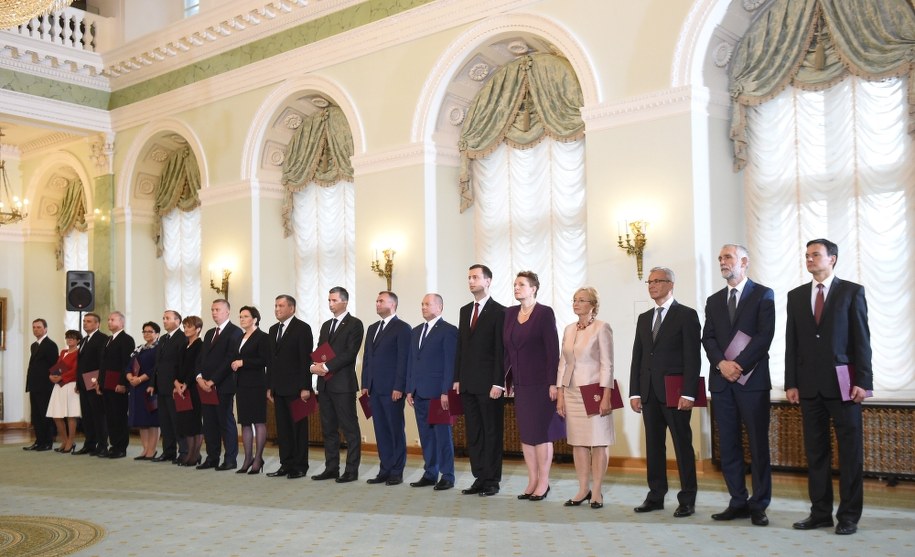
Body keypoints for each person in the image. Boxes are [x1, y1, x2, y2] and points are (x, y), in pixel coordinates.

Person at [785, 239, 873, 536]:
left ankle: (848, 516)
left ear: (832, 259)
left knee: (850, 454)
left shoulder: (851, 292)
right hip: (809, 389)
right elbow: (791, 343)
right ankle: (820, 512)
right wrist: (791, 382)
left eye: (816, 255)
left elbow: (862, 341)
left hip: (845, 387)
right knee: (816, 453)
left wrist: (864, 381)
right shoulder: (796, 296)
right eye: (807, 255)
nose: (810, 259)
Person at [701, 244, 775, 526]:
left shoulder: (763, 294)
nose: (722, 261)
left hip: (752, 382)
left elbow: (764, 336)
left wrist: (739, 365)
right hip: (722, 383)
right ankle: (737, 501)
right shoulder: (713, 300)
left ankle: (759, 504)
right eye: (720, 257)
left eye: (727, 257)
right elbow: (708, 338)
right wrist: (722, 364)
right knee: (728, 445)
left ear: (744, 261)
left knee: (758, 445)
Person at [629, 267, 701, 518]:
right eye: (649, 282)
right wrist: (634, 392)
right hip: (648, 393)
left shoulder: (686, 315)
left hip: (676, 393)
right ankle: (656, 495)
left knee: (682, 446)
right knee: (654, 447)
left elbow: (693, 357)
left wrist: (689, 393)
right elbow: (637, 357)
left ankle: (687, 498)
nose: (651, 285)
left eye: (657, 281)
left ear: (671, 284)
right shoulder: (644, 317)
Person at [503, 271, 560, 501]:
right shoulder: (509, 314)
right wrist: (506, 379)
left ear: (534, 288)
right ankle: (532, 480)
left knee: (541, 433)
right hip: (520, 384)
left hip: (541, 383)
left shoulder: (544, 313)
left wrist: (553, 383)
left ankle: (544, 482)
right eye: (515, 284)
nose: (516, 288)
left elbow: (552, 350)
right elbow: (507, 351)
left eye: (522, 284)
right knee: (526, 434)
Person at [556, 287, 615, 509]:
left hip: (595, 392)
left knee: (599, 442)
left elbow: (607, 364)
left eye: (581, 300)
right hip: (571, 392)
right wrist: (560, 394)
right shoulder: (569, 329)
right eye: (574, 300)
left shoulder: (602, 328)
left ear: (592, 304)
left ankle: (597, 491)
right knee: (578, 442)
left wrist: (606, 396)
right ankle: (583, 489)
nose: (576, 303)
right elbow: (563, 363)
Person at [453, 264, 506, 497]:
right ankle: (479, 477)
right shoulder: (465, 311)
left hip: (489, 385)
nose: (471, 281)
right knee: (473, 433)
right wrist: (457, 378)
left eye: (476, 277)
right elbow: (461, 348)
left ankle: (492, 480)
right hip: (467, 384)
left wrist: (498, 382)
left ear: (488, 281)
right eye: (469, 278)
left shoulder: (500, 312)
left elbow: (500, 351)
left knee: (491, 433)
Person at [310, 286, 364, 483]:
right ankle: (331, 468)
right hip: (325, 385)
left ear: (345, 302)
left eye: (334, 300)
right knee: (328, 428)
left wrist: (324, 366)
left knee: (349, 428)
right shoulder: (326, 325)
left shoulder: (355, 324)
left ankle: (351, 470)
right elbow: (320, 350)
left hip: (343, 385)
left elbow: (350, 354)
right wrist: (314, 366)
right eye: (329, 300)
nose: (330, 304)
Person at [406, 293, 458, 491]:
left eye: (428, 304)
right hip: (419, 393)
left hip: (438, 394)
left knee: (442, 436)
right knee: (426, 436)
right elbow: (412, 361)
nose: (423, 307)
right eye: (422, 304)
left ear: (440, 307)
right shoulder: (416, 331)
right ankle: (430, 473)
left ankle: (447, 475)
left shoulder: (449, 330)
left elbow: (449, 363)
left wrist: (446, 391)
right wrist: (409, 389)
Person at [361, 291, 411, 486]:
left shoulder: (402, 328)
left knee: (395, 430)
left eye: (381, 300)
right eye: (376, 300)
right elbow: (367, 358)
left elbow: (403, 360)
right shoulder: (372, 328)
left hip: (392, 390)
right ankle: (385, 469)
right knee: (380, 431)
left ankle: (396, 471)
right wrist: (365, 384)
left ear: (393, 304)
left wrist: (399, 386)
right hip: (374, 389)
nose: (377, 303)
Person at [265, 295, 313, 479]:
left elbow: (305, 359)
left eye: (281, 306)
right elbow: (271, 361)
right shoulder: (272, 329)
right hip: (278, 388)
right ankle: (286, 464)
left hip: (297, 389)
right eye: (275, 305)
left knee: (298, 429)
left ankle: (300, 466)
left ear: (292, 308)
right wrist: (270, 386)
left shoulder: (302, 328)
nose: (277, 309)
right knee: (283, 429)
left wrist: (305, 387)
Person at [195, 299, 243, 471]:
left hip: (223, 386)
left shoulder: (235, 332)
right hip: (205, 387)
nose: (214, 312)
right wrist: (199, 378)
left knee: (225, 422)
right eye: (212, 309)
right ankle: (212, 457)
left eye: (218, 309)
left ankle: (230, 459)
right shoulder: (209, 333)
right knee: (209, 423)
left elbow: (229, 360)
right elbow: (200, 359)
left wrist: (213, 381)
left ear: (227, 311)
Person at [231, 305, 271, 475]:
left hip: (256, 384)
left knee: (258, 421)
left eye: (246, 316)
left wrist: (243, 363)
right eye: (240, 316)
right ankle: (247, 459)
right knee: (245, 422)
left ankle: (258, 458)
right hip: (241, 384)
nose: (242, 319)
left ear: (255, 319)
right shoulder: (240, 337)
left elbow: (265, 360)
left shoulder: (263, 337)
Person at [149, 310, 188, 463]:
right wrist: (152, 383)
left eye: (167, 318)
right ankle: (168, 451)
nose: (164, 321)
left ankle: (184, 451)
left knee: (177, 420)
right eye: (163, 318)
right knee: (165, 421)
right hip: (161, 386)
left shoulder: (182, 338)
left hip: (174, 386)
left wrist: (178, 382)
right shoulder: (164, 338)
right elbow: (157, 364)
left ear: (178, 321)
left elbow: (182, 364)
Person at [99, 311, 136, 459]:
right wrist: (99, 383)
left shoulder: (126, 340)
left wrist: (123, 383)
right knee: (110, 417)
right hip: (106, 384)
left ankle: (121, 447)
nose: (109, 322)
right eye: (108, 320)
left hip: (118, 384)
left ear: (122, 323)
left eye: (112, 320)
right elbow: (103, 364)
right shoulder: (108, 339)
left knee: (119, 416)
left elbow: (126, 363)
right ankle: (113, 445)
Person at [73, 313, 109, 456]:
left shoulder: (102, 339)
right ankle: (90, 444)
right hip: (83, 383)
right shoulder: (83, 341)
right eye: (84, 321)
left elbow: (102, 362)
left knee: (98, 415)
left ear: (97, 324)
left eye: (88, 321)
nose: (85, 324)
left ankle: (102, 444)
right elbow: (81, 364)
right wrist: (78, 382)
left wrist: (99, 381)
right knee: (87, 415)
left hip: (94, 383)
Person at [126, 321, 161, 460]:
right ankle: (145, 449)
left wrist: (140, 379)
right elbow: (129, 365)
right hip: (136, 388)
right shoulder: (139, 349)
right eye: (144, 331)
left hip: (149, 386)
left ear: (157, 334)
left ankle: (152, 450)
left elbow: (155, 368)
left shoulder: (158, 349)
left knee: (152, 420)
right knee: (141, 420)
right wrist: (130, 377)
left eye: (150, 331)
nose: (146, 334)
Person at [24, 318, 58, 451]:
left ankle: (47, 442)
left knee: (45, 414)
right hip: (34, 384)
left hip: (45, 385)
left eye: (38, 327)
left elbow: (55, 365)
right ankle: (39, 441)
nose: (36, 329)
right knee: (36, 415)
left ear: (45, 329)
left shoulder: (50, 345)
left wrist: (54, 380)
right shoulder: (34, 345)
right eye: (34, 327)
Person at [175, 315, 205, 467]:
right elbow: (177, 367)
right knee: (185, 422)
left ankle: (194, 455)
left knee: (194, 423)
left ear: (198, 329)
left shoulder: (201, 345)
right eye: (184, 326)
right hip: (181, 388)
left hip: (194, 388)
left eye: (189, 327)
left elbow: (196, 367)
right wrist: (176, 383)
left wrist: (185, 384)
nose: (185, 329)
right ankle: (190, 454)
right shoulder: (183, 345)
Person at [46, 329, 81, 453]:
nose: (69, 340)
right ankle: (65, 440)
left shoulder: (78, 352)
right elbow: (57, 366)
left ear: (78, 340)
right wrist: (51, 375)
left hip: (70, 385)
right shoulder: (63, 351)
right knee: (57, 415)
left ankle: (71, 441)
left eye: (72, 338)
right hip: (59, 386)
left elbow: (75, 370)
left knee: (71, 415)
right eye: (67, 337)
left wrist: (62, 377)